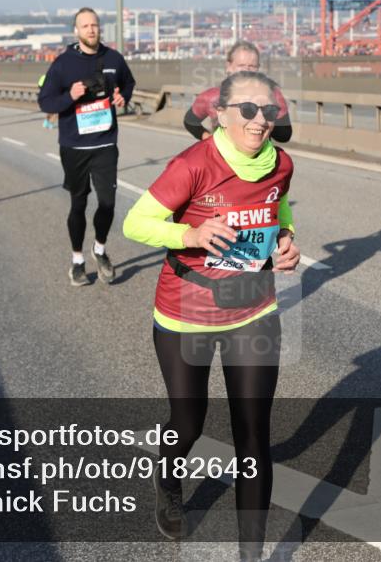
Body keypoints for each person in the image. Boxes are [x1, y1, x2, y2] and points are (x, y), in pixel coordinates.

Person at [122, 71, 300, 561]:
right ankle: (169, 484)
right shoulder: (194, 164)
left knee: (253, 438)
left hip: (253, 309)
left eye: (268, 111)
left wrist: (285, 242)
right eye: (247, 109)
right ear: (220, 114)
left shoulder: (280, 165)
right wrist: (192, 236)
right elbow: (136, 222)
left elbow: (276, 211)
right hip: (186, 311)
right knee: (188, 422)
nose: (259, 120)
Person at [39, 7, 135, 286]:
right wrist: (69, 95)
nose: (91, 30)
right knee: (78, 204)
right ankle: (78, 261)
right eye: (85, 26)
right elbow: (45, 102)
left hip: (105, 142)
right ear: (76, 31)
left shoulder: (113, 58)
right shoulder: (63, 64)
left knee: (107, 202)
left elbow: (128, 83)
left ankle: (100, 250)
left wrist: (122, 97)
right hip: (74, 146)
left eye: (94, 25)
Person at [184, 41, 292, 144]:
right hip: (220, 160)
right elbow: (190, 121)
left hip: (258, 159)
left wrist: (267, 114)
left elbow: (284, 135)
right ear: (229, 66)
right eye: (241, 65)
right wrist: (208, 139)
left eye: (252, 66)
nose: (246, 70)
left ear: (258, 67)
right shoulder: (212, 96)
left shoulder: (273, 95)